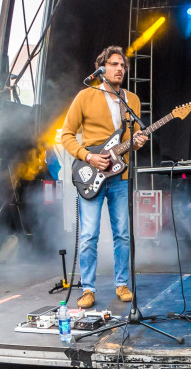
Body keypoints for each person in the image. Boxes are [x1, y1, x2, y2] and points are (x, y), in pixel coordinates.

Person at [61, 46, 147, 309]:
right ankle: (88, 289)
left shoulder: (132, 100)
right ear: (101, 69)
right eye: (114, 64)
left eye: (123, 65)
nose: (120, 69)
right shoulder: (85, 96)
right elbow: (66, 135)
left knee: (122, 234)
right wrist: (88, 156)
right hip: (91, 173)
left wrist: (137, 142)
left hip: (120, 176)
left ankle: (122, 284)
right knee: (89, 235)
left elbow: (129, 140)